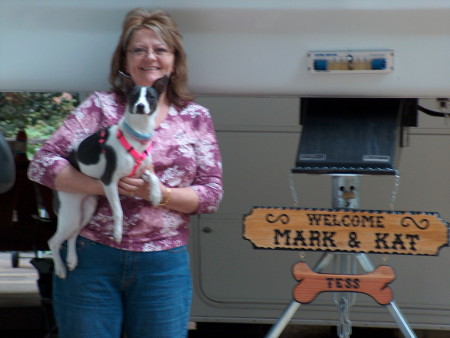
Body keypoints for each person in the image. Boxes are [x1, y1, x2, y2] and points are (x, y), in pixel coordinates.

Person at [28, 8, 223, 338]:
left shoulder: (194, 117)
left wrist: (157, 194)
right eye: (138, 50)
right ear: (125, 60)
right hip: (92, 260)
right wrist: (105, 186)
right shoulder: (100, 107)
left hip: (163, 265)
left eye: (161, 49)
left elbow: (211, 195)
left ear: (174, 60)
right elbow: (42, 164)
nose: (150, 57)